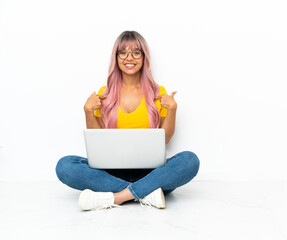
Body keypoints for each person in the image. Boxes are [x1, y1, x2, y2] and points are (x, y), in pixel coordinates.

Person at [55, 31, 200, 211]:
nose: (129, 58)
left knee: (190, 160)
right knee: (65, 166)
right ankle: (146, 193)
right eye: (123, 52)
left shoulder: (158, 92)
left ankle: (118, 197)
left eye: (136, 52)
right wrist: (88, 112)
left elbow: (165, 139)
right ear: (116, 57)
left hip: (150, 172)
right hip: (111, 172)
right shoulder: (104, 93)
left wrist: (172, 110)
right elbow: (98, 142)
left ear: (144, 57)